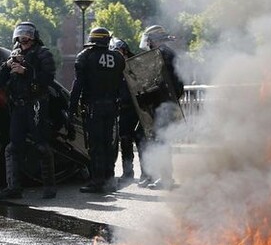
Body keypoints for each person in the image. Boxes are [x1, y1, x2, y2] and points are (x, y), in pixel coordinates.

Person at [0, 22, 57, 200]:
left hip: (36, 103)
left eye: (27, 36)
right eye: (20, 36)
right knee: (13, 147)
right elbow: (2, 81)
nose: (23, 39)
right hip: (18, 106)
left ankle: (49, 187)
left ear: (34, 37)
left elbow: (48, 79)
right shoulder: (14, 54)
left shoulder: (43, 53)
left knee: (41, 145)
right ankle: (14, 187)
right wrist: (6, 67)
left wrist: (26, 71)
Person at [68, 27, 126, 193]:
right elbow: (122, 84)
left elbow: (77, 85)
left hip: (93, 108)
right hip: (112, 108)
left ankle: (97, 181)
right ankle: (109, 179)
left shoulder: (85, 56)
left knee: (95, 145)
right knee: (109, 144)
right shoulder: (118, 58)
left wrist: (71, 109)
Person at [136, 25, 185, 189]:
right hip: (165, 103)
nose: (148, 43)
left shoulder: (162, 55)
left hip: (163, 104)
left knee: (162, 141)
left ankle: (165, 179)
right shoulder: (168, 53)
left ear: (155, 40)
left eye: (149, 40)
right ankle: (162, 176)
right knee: (160, 140)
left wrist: (146, 97)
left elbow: (159, 84)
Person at [109, 38, 140, 184]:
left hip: (138, 108)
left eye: (119, 51)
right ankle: (128, 172)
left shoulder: (134, 66)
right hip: (123, 109)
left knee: (141, 140)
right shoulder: (114, 69)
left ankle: (148, 173)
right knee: (125, 140)